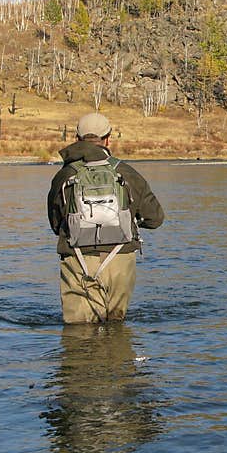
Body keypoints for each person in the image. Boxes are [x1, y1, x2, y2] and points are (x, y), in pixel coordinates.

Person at [47, 112, 164, 323]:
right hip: (120, 259)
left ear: (77, 138)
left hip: (77, 258)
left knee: (78, 333)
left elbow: (55, 223)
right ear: (108, 139)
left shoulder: (64, 175)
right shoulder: (127, 172)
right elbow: (155, 219)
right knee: (117, 331)